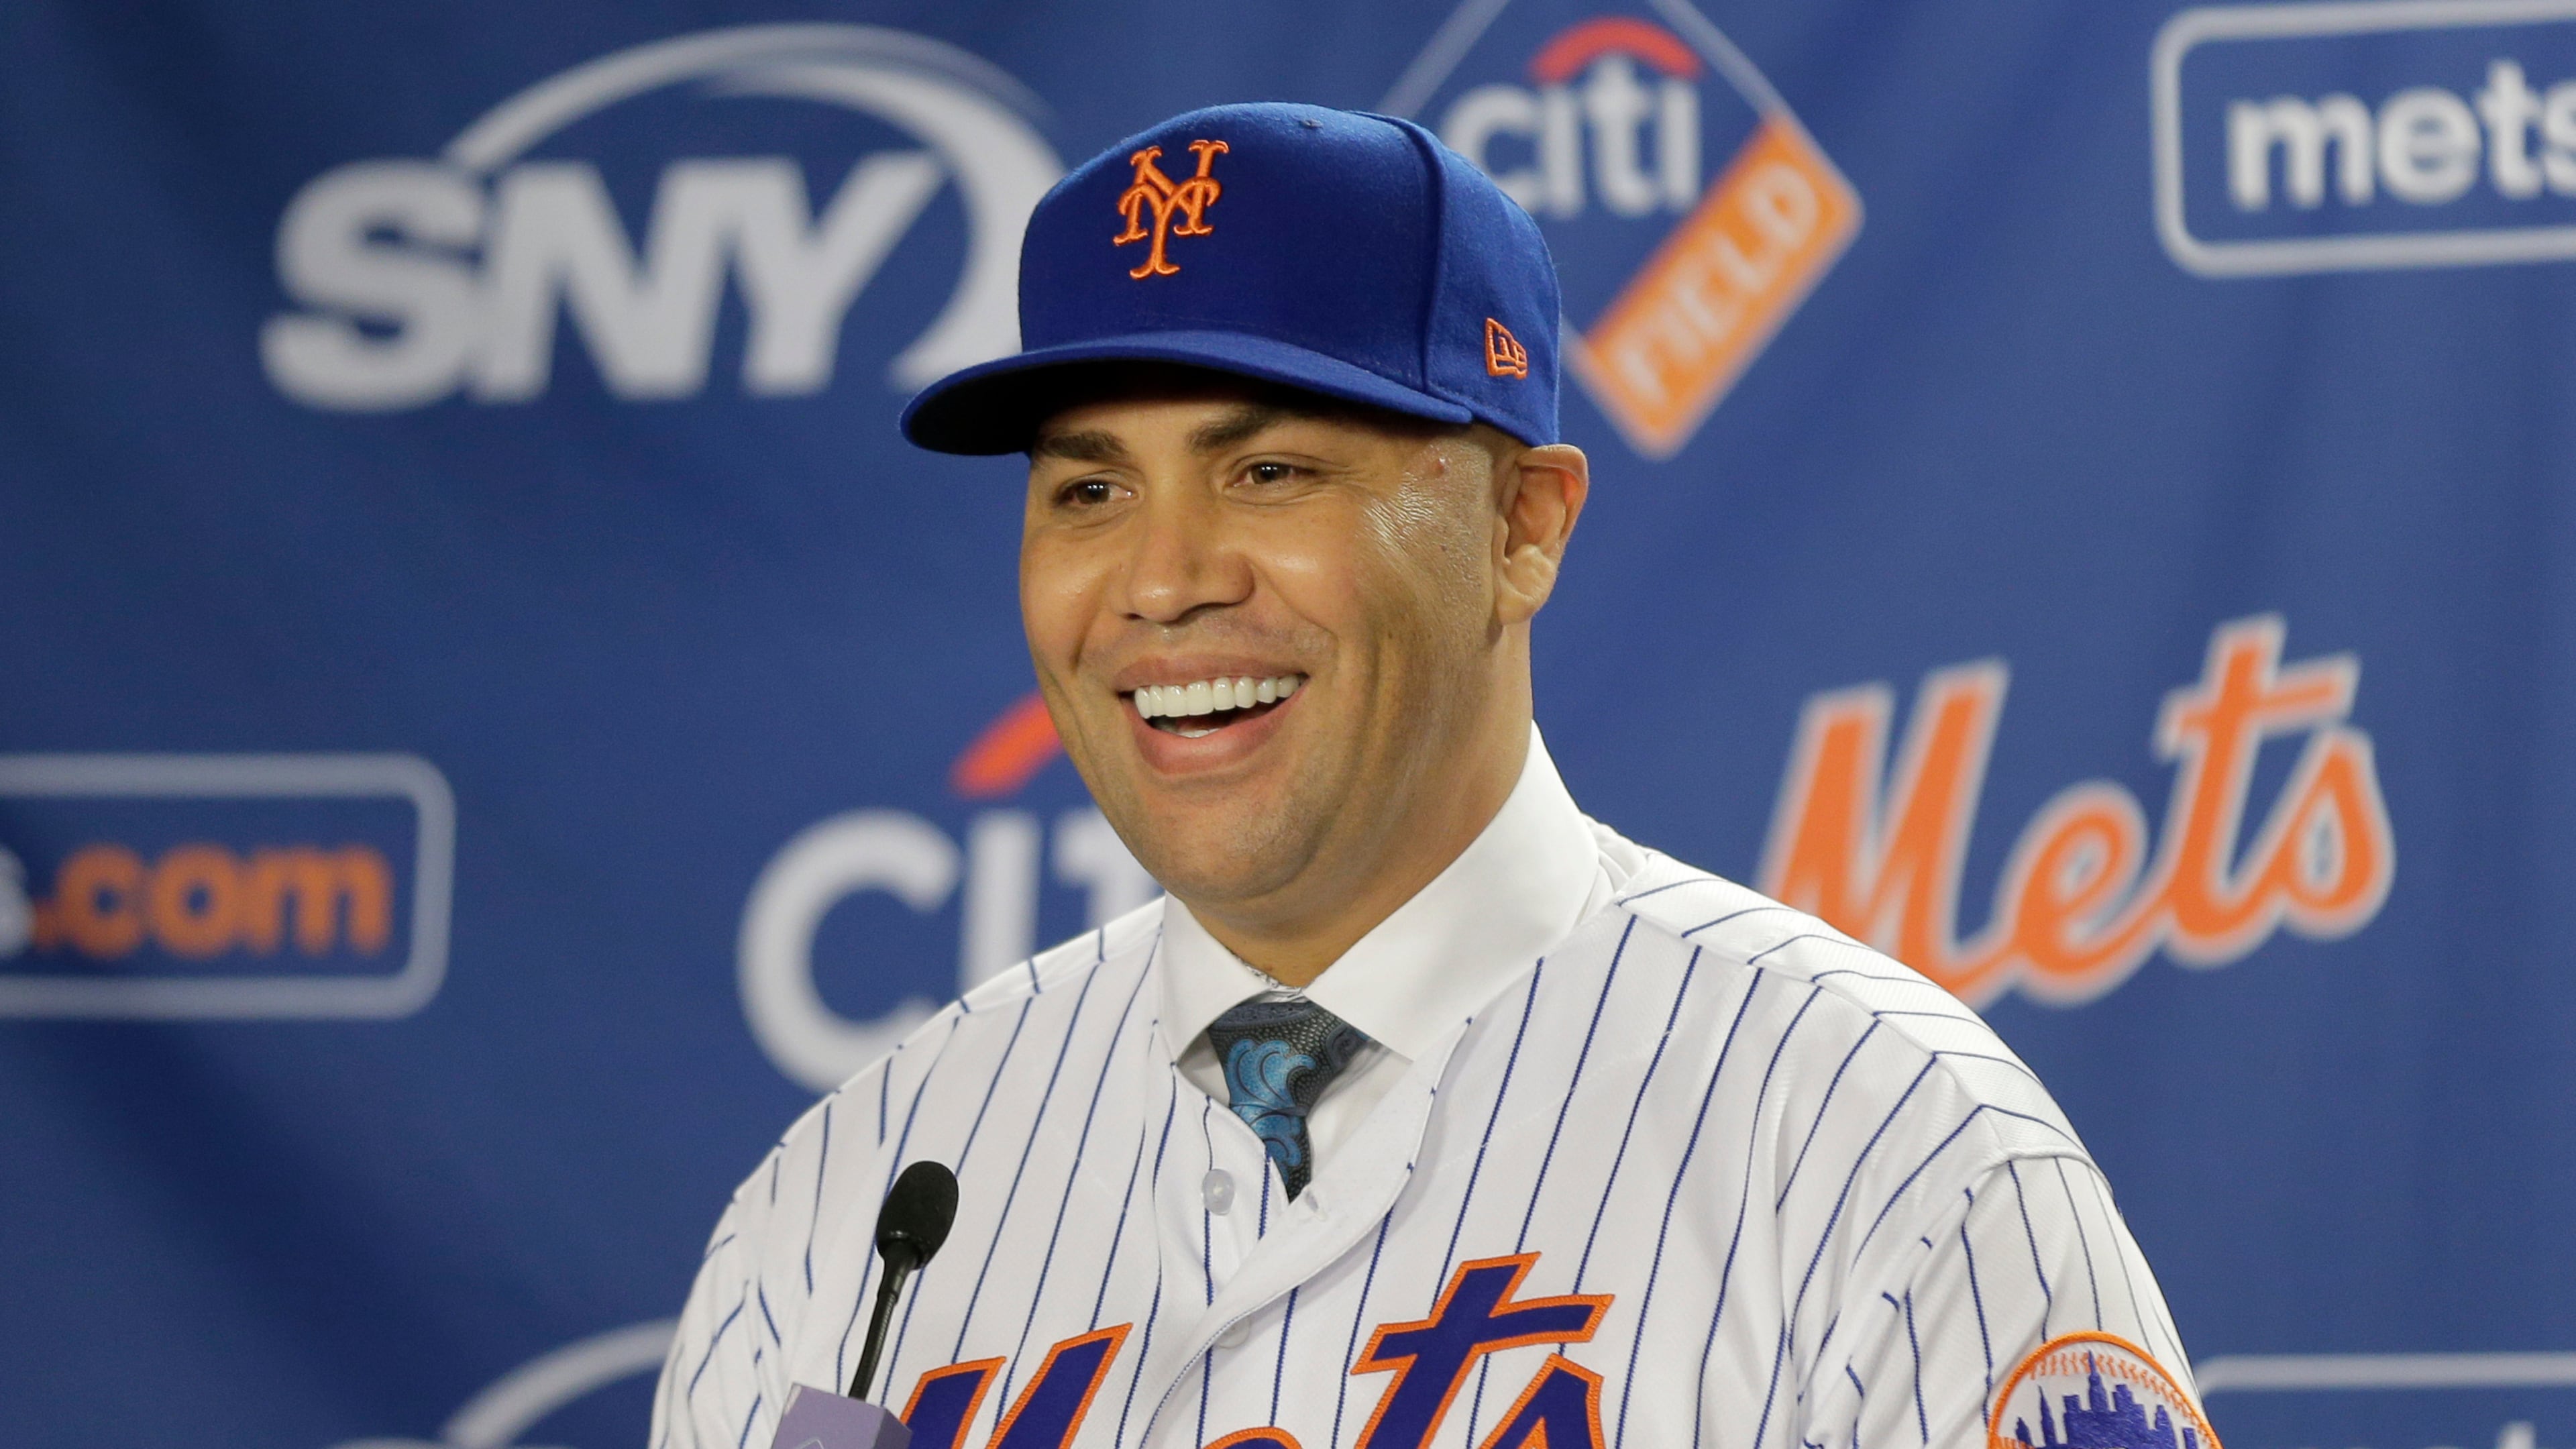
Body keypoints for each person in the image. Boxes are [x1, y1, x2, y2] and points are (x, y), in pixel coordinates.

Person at [654, 103, 2215, 1449]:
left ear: (1523, 526)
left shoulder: (1879, 1140)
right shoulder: (853, 1196)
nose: (1161, 579)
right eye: (1088, 488)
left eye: (1269, 471)